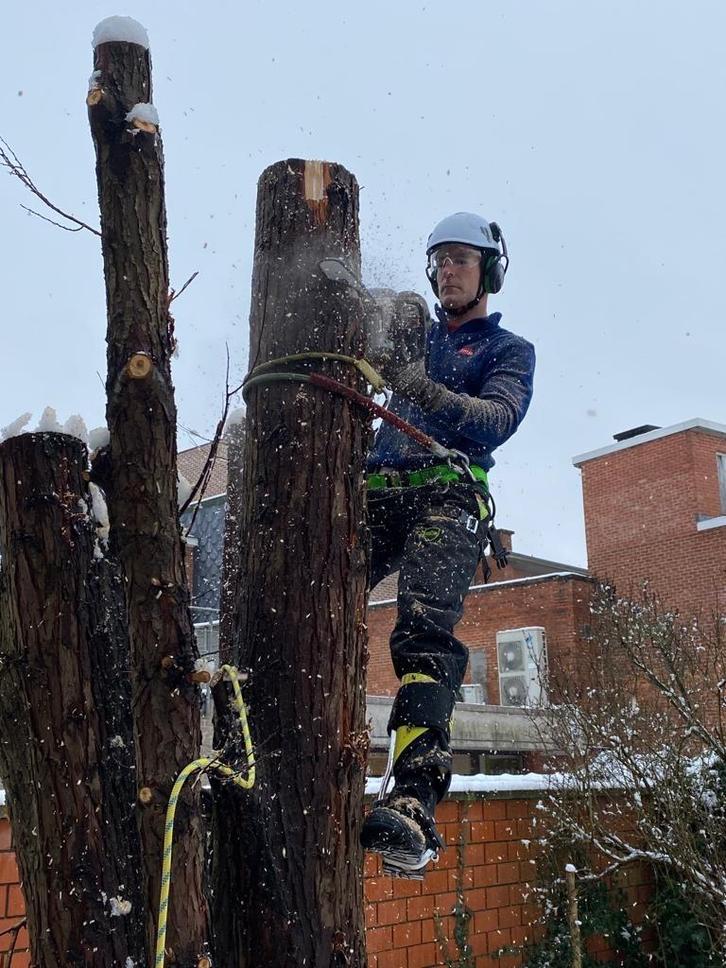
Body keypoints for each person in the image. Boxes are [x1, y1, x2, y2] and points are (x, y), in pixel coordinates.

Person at [360, 212, 536, 878]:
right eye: (438, 260)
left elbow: (497, 418)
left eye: (461, 259)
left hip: (448, 493)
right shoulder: (413, 339)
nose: (447, 271)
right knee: (311, 591)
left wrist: (422, 390)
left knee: (424, 634)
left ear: (489, 269)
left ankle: (413, 797)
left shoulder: (508, 349)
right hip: (376, 492)